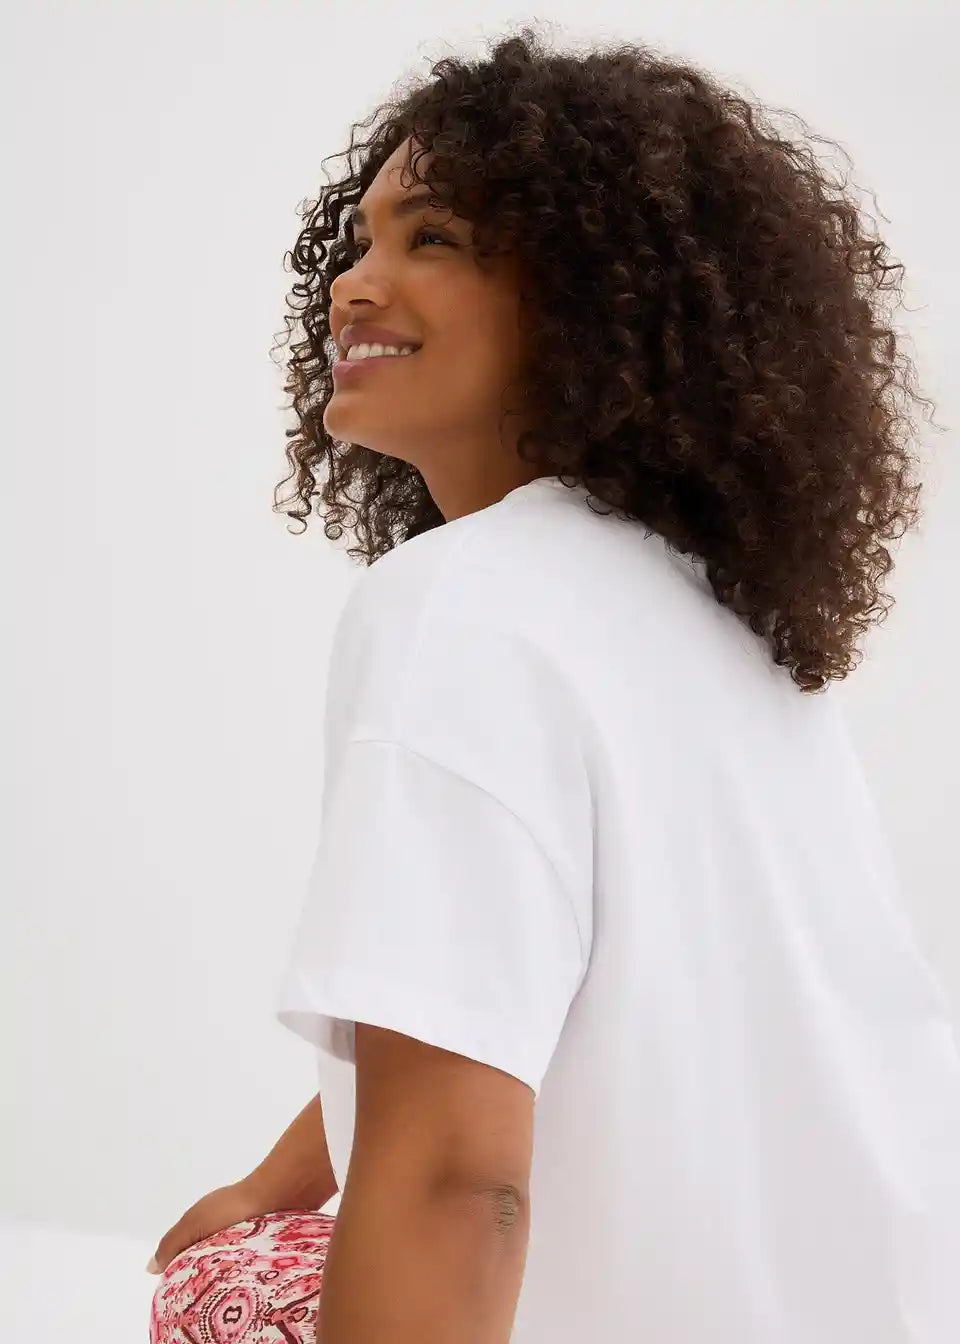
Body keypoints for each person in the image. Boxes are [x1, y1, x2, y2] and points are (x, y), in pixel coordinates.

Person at [148, 23, 960, 1344]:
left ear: (586, 296)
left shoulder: (462, 606)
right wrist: (274, 1183)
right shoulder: (717, 624)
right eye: (358, 239)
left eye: (435, 239)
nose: (355, 285)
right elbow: (475, 995)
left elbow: (456, 1178)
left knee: (215, 1294)